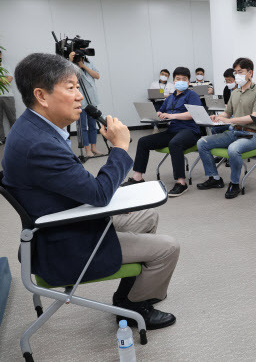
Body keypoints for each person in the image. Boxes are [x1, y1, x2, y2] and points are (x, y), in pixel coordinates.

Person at [4, 53, 180, 330]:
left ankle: (127, 297)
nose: (79, 97)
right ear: (41, 95)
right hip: (64, 240)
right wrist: (121, 147)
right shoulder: (38, 144)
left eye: (78, 87)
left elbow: (80, 185)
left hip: (64, 218)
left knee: (147, 217)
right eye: (71, 87)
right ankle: (134, 308)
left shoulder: (34, 128)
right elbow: (98, 194)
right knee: (168, 248)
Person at [122, 67, 202, 197]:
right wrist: (158, 114)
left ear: (188, 82)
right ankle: (138, 177)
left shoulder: (191, 95)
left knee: (175, 143)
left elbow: (193, 114)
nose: (181, 81)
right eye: (178, 79)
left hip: (190, 131)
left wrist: (172, 116)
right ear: (174, 80)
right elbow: (162, 111)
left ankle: (181, 182)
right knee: (143, 142)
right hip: (173, 131)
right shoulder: (170, 98)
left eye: (184, 79)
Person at [196, 57, 256, 199]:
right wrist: (217, 117)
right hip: (234, 132)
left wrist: (229, 119)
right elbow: (227, 112)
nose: (237, 75)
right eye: (235, 72)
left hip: (251, 135)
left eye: (240, 72)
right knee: (202, 143)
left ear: (250, 73)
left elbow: (254, 117)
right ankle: (214, 178)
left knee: (233, 149)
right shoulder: (235, 92)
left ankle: (235, 183)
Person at [69, 50, 101, 158]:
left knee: (93, 125)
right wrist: (70, 61)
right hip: (80, 100)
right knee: (83, 126)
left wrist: (83, 66)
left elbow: (97, 75)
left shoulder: (89, 63)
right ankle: (87, 149)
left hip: (92, 99)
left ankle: (94, 148)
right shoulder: (71, 65)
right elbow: (67, 76)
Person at [0, 50, 16, 145]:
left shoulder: (5, 66)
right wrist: (3, 78)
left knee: (12, 119)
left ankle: (15, 138)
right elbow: (5, 79)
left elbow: (9, 79)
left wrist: (4, 79)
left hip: (7, 96)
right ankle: (1, 138)